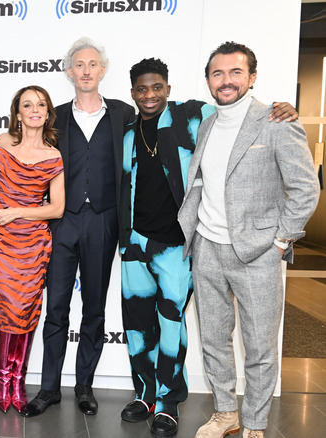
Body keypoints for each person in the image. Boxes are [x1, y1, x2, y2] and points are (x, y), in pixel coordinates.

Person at [119, 59, 300, 437]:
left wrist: (281, 108)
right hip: (136, 243)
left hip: (178, 246)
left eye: (156, 87)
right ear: (132, 92)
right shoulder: (127, 130)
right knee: (137, 326)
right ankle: (145, 394)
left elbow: (241, 111)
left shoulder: (195, 115)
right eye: (141, 89)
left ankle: (168, 403)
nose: (149, 95)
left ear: (168, 88)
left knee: (172, 327)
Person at [178, 42, 319, 438]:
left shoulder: (276, 121)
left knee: (259, 347)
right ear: (208, 80)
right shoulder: (207, 123)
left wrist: (279, 242)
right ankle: (225, 412)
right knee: (214, 341)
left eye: (235, 72)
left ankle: (255, 423)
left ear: (252, 77)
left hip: (257, 253)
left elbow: (306, 188)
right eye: (218, 74)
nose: (226, 81)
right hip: (207, 248)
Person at [26, 37, 135, 418]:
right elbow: (20, 142)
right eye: (79, 65)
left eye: (93, 64)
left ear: (102, 70)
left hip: (104, 222)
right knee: (55, 308)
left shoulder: (125, 113)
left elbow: (169, 117)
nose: (86, 70)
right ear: (69, 72)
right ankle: (49, 388)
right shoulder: (53, 117)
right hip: (61, 223)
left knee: (94, 308)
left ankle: (84, 385)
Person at [0, 85, 65, 415]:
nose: (34, 110)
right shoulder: (2, 143)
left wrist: (17, 211)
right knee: (8, 309)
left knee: (27, 310)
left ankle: (18, 382)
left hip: (33, 243)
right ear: (17, 113)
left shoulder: (53, 156)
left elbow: (57, 209)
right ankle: (1, 381)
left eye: (41, 105)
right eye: (27, 105)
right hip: (2, 242)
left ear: (47, 113)